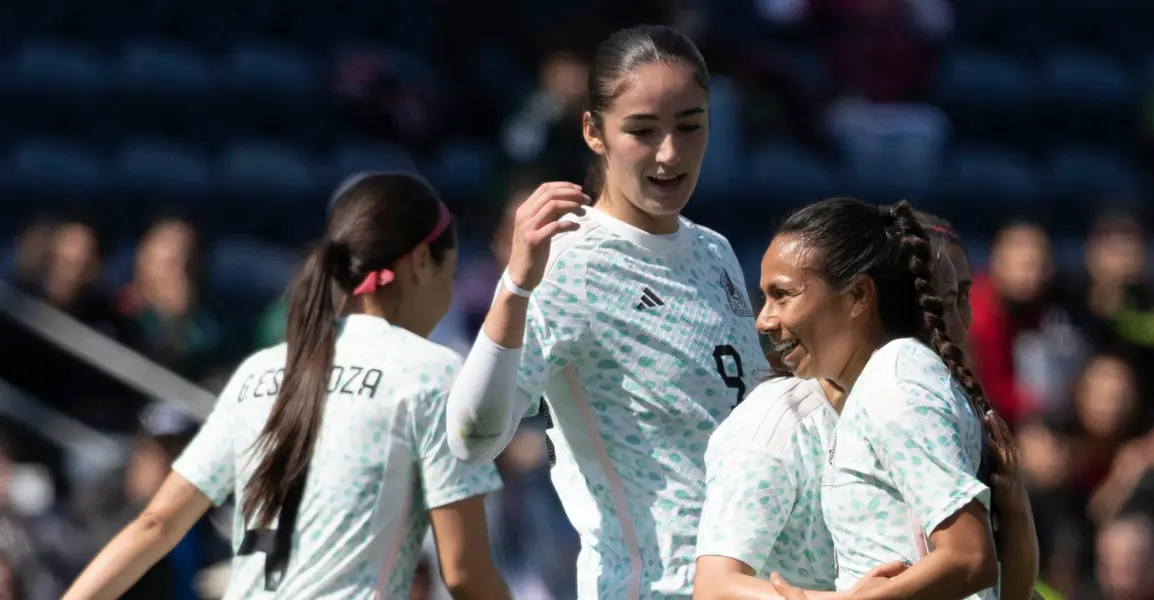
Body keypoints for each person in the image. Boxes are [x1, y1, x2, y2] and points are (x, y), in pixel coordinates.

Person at [62, 173, 508, 600]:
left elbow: (155, 525)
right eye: (449, 276)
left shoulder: (259, 372)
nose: (448, 294)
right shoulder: (433, 373)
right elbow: (464, 572)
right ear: (418, 265)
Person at [445, 25, 769, 599]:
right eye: (642, 131)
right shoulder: (569, 263)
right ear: (594, 132)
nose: (669, 153)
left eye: (690, 126)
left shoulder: (716, 252)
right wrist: (516, 287)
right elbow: (472, 438)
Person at [695, 210, 1041, 600]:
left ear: (861, 295)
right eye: (938, 301)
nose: (955, 322)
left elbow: (980, 570)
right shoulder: (778, 423)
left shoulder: (902, 387)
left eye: (959, 298)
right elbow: (715, 588)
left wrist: (1016, 513)